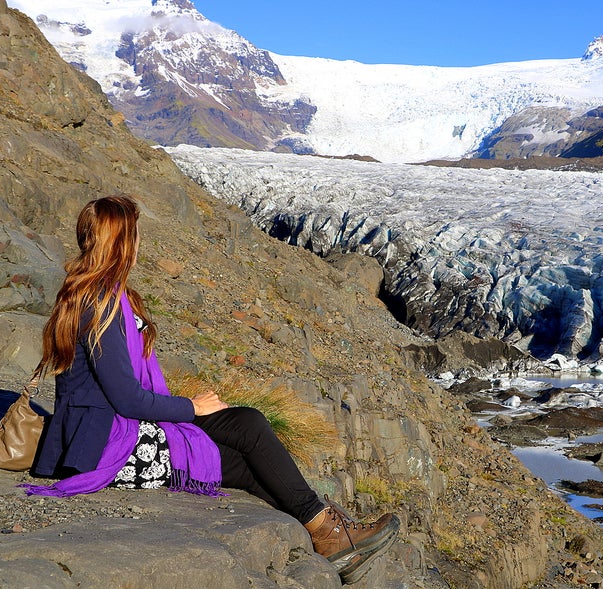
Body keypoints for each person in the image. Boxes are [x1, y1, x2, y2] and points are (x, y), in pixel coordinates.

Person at [24, 194, 399, 584]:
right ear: (122, 242)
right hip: (108, 444)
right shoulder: (101, 304)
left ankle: (328, 529)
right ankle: (330, 533)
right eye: (135, 235)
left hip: (103, 431)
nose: (139, 244)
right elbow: (127, 398)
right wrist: (192, 407)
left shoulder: (86, 292)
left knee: (248, 423)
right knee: (236, 461)